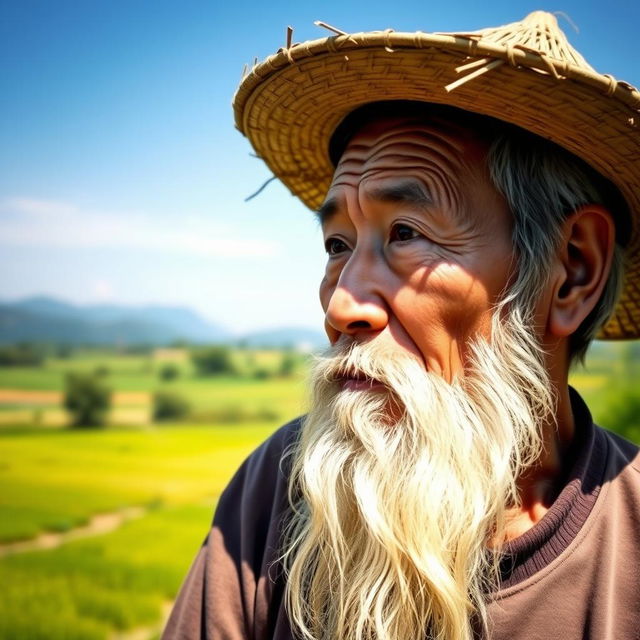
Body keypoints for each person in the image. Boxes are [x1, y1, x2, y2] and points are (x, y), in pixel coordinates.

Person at [163, 11, 640, 640]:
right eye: (337, 244)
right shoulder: (279, 491)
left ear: (572, 270)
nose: (341, 308)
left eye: (406, 234)